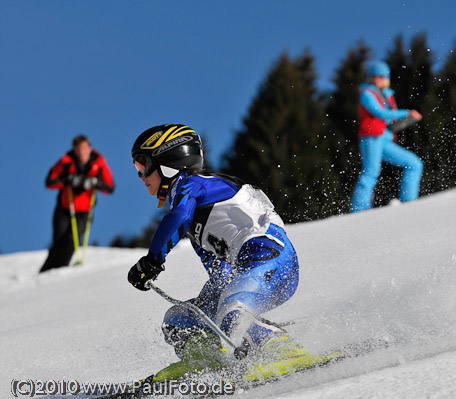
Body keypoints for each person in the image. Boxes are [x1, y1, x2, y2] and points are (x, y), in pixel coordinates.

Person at [127, 124, 324, 382]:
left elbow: (178, 216)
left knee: (233, 310)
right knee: (179, 321)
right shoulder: (198, 222)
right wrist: (209, 309)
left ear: (167, 161)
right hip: (252, 271)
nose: (141, 176)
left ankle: (285, 350)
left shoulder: (191, 185)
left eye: (142, 165)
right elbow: (220, 273)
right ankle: (210, 361)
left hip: (273, 260)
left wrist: (152, 261)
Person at [351, 60, 424, 212]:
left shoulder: (387, 96)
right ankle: (358, 210)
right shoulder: (366, 94)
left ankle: (409, 203)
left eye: (381, 76)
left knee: (414, 164)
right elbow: (380, 113)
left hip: (385, 139)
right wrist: (407, 113)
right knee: (371, 172)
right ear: (370, 77)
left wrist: (403, 120)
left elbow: (390, 119)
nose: (377, 78)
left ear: (386, 78)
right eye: (374, 75)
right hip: (371, 137)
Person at [40, 135, 115, 272]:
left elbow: (110, 187)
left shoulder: (99, 163)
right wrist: (67, 180)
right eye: (79, 149)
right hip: (64, 207)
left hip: (85, 211)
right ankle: (46, 271)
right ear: (75, 150)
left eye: (85, 148)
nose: (83, 151)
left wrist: (95, 182)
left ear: (90, 148)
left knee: (71, 240)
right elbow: (49, 181)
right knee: (58, 241)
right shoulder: (66, 162)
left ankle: (60, 270)